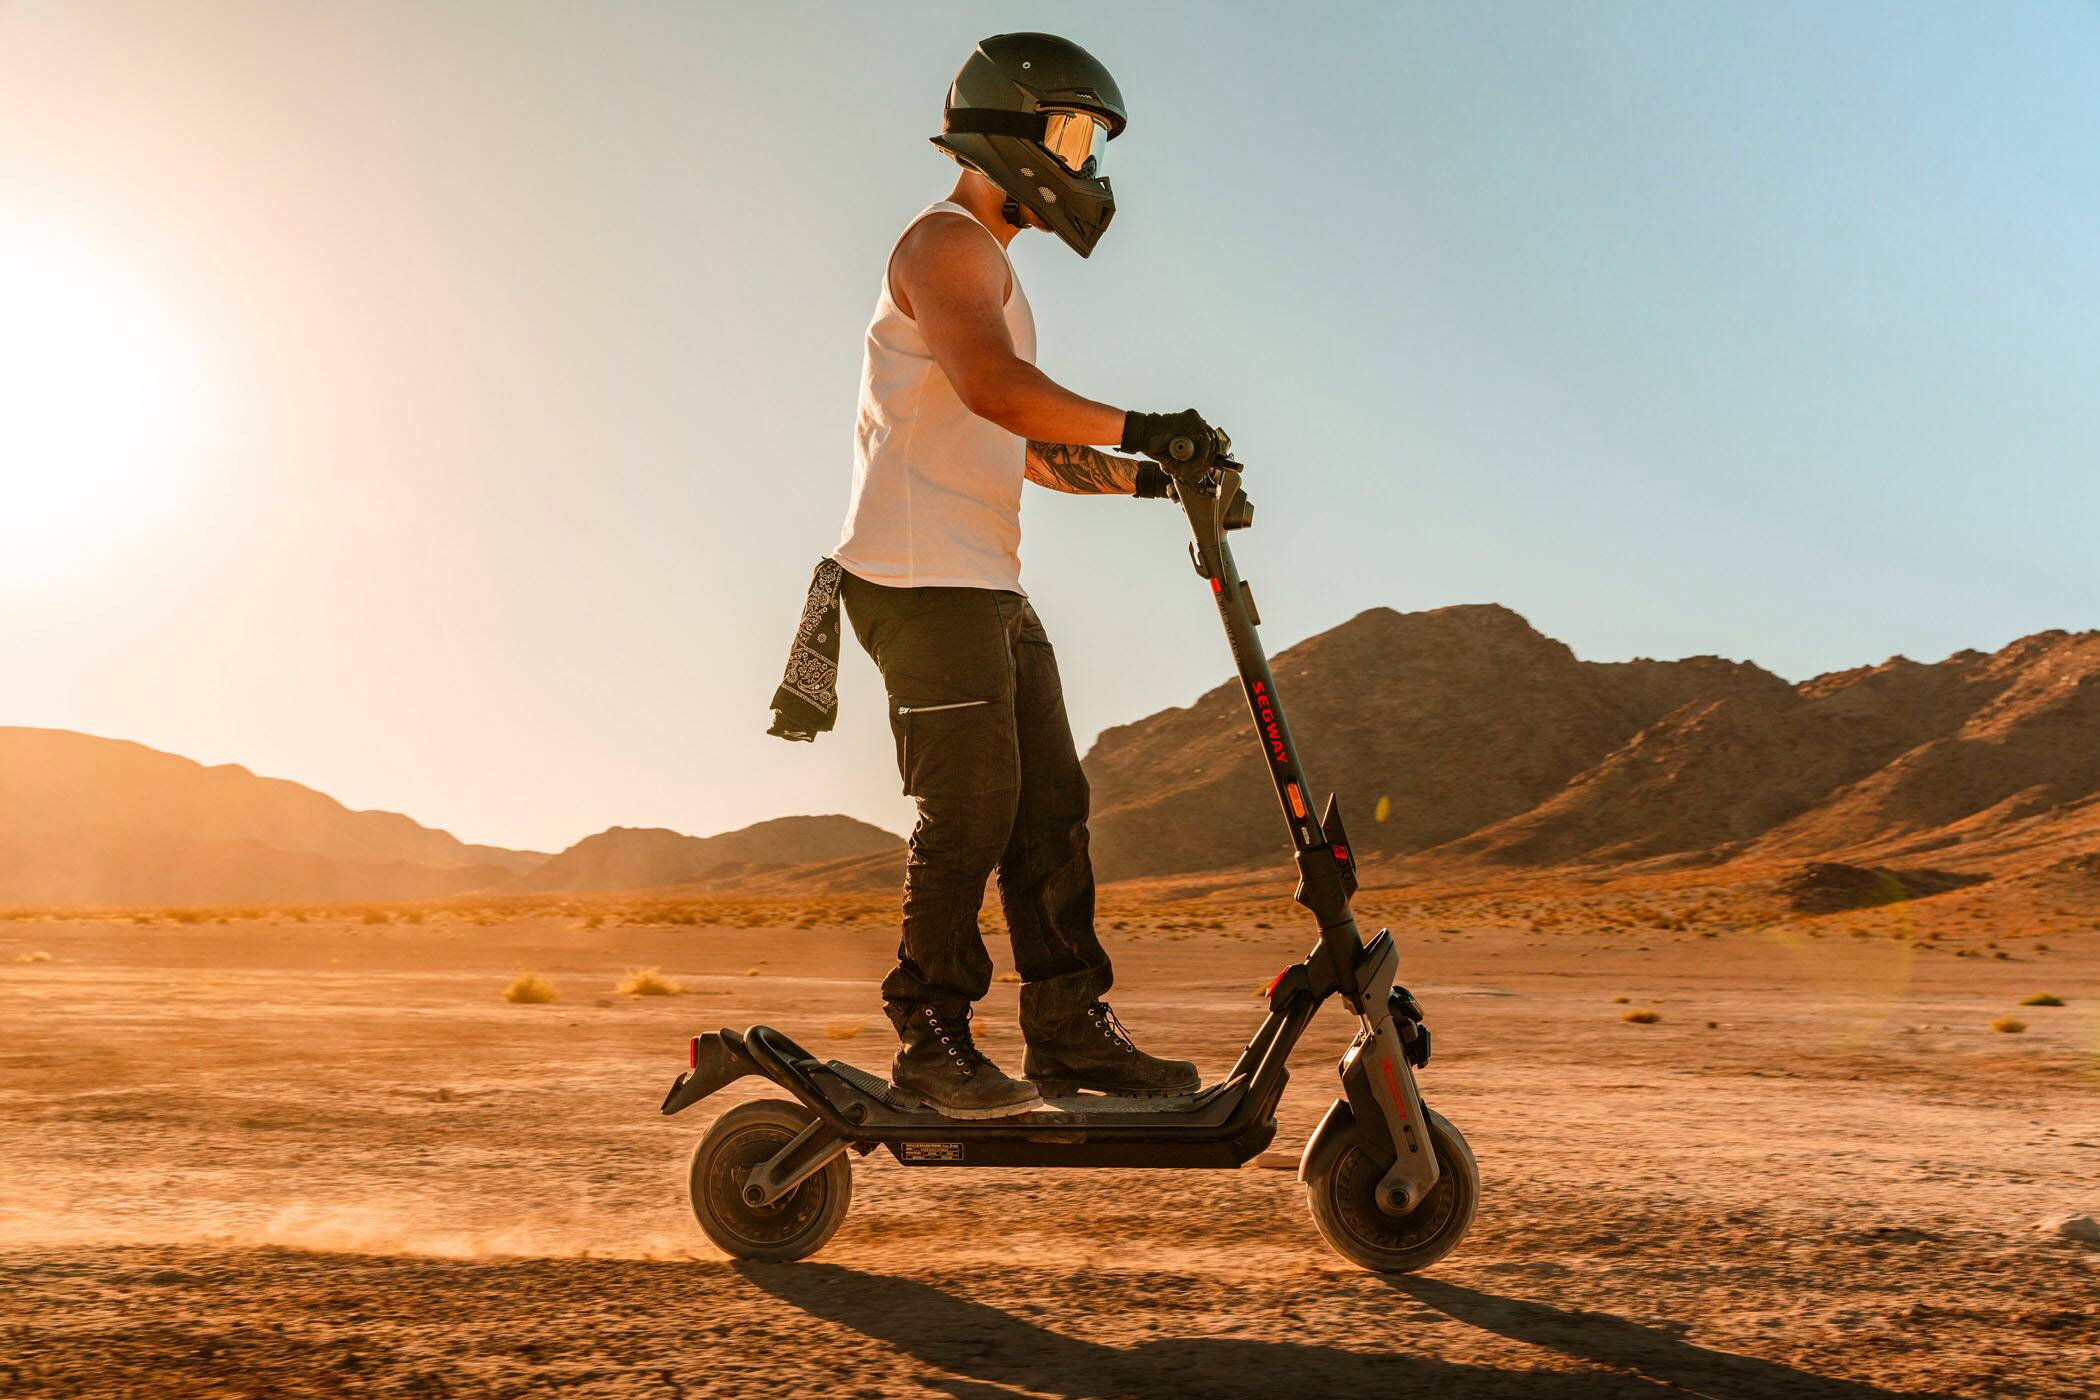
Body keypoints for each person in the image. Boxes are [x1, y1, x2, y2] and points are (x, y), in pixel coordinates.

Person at [830, 33, 1219, 1119]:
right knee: (974, 801)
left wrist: (1159, 479)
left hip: (981, 581)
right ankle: (933, 1034)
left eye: (1091, 142)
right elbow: (1000, 388)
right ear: (1011, 125)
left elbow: (1031, 445)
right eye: (1075, 133)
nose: (1087, 162)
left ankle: (1066, 1028)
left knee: (1050, 805)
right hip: (914, 578)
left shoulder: (991, 268)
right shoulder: (944, 244)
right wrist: (1148, 421)